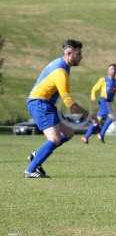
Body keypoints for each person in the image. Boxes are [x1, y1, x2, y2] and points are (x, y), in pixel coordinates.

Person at [25, 39, 91, 178]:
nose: (81, 57)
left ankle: (37, 155)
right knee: (54, 139)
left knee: (68, 133)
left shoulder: (62, 65)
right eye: (78, 54)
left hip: (46, 103)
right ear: (68, 53)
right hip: (39, 103)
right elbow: (70, 105)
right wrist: (88, 115)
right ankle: (30, 171)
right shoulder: (60, 71)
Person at [81, 63, 116, 144]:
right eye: (111, 69)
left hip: (109, 102)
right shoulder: (103, 80)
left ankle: (85, 137)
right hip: (104, 100)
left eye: (114, 69)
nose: (113, 71)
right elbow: (94, 89)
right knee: (112, 117)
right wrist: (93, 98)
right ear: (108, 70)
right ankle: (101, 134)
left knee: (97, 121)